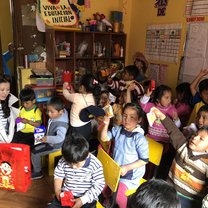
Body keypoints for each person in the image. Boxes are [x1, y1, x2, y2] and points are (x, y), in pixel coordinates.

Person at [151, 107, 208, 208]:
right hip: (168, 190)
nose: (195, 138)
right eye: (195, 135)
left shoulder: (206, 164)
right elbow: (173, 130)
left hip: (190, 201)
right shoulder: (182, 146)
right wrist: (162, 116)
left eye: (201, 139)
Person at [100, 103, 149, 208]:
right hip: (116, 170)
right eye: (125, 115)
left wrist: (127, 167)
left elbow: (144, 160)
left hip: (129, 175)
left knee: (119, 195)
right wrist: (106, 124)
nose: (127, 119)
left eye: (132, 117)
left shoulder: (139, 138)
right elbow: (104, 138)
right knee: (102, 185)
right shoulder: (118, 129)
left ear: (139, 120)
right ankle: (110, 198)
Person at [48, 133, 105, 208]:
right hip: (67, 194)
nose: (73, 167)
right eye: (69, 163)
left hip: (87, 198)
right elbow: (58, 175)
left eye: (77, 164)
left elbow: (99, 185)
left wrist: (82, 200)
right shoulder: (64, 159)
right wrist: (58, 191)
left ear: (87, 155)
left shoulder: (95, 164)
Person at [139, 84, 180, 180]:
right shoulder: (152, 107)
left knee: (155, 162)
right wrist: (147, 95)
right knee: (145, 159)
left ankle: (152, 177)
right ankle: (144, 176)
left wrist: (176, 119)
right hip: (150, 139)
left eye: (170, 97)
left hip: (164, 142)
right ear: (157, 98)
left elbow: (177, 126)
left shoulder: (171, 109)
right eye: (166, 97)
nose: (169, 100)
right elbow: (142, 105)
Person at [31, 96, 69, 179]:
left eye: (51, 112)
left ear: (61, 111)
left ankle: (37, 172)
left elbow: (60, 138)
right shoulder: (61, 112)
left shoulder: (61, 125)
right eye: (48, 110)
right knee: (33, 143)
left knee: (34, 152)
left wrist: (47, 138)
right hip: (49, 140)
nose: (49, 113)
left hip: (54, 146)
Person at [63, 74, 100, 141]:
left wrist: (64, 87)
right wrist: (73, 92)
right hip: (87, 126)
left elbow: (67, 95)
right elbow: (79, 100)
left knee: (74, 144)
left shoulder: (76, 97)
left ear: (82, 87)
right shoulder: (93, 97)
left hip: (76, 128)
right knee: (83, 142)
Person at [0, 77, 19, 143]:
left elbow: (10, 126)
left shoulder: (6, 105)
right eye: (2, 90)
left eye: (8, 90)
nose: (5, 93)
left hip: (7, 142)